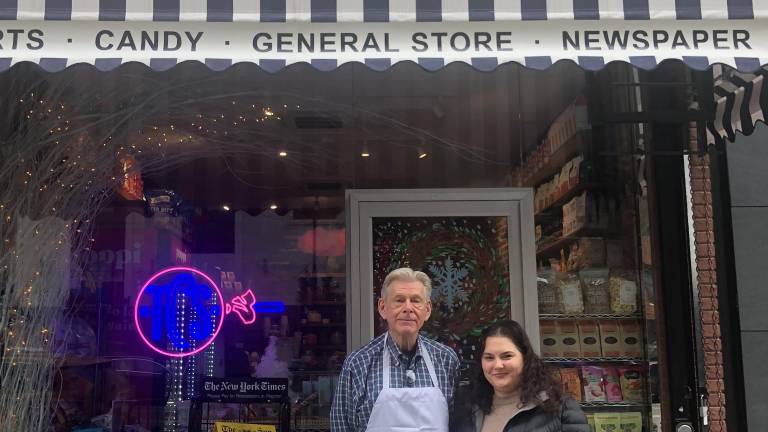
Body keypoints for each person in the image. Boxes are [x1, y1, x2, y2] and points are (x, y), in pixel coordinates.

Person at [331, 268, 460, 432]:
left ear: (427, 310)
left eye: (415, 300)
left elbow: (460, 424)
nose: (408, 308)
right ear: (382, 307)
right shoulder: (358, 363)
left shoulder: (446, 360)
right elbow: (340, 426)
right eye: (399, 300)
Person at [450, 320, 590, 432]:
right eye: (489, 357)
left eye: (507, 356)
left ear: (525, 358)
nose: (497, 365)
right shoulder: (468, 407)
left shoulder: (560, 407)